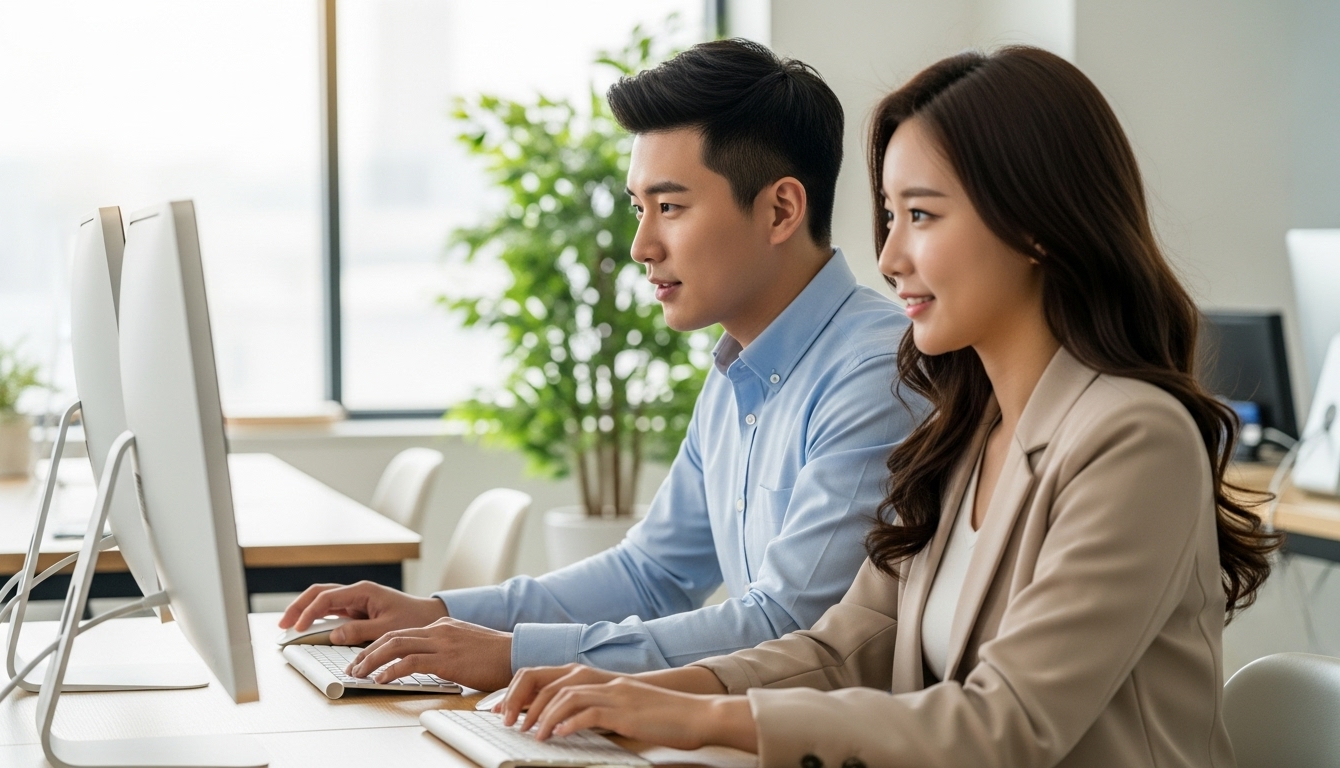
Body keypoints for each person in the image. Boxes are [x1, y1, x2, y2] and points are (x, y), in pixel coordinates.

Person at [498, 46, 1281, 768]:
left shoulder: (1133, 438)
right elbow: (842, 648)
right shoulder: (962, 434)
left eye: (923, 215)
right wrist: (646, 691)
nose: (890, 256)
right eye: (890, 214)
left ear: (1036, 227)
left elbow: (1005, 723)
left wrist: (700, 717)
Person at [279, 39, 918, 692]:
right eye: (640, 208)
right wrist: (439, 614)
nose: (642, 246)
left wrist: (515, 655)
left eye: (670, 207)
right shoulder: (737, 371)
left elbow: (788, 629)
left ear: (780, 210)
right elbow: (652, 574)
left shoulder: (876, 375)